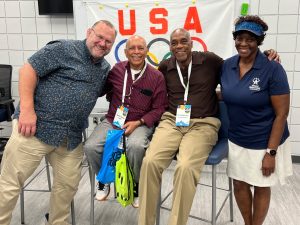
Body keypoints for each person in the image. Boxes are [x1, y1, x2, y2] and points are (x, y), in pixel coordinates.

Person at [138, 27, 280, 225]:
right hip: (172, 121)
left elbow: (240, 65)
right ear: (170, 46)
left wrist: (265, 56)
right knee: (150, 162)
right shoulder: (165, 66)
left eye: (184, 41)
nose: (179, 46)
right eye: (175, 42)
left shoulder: (209, 61)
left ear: (191, 43)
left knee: (186, 167)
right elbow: (145, 81)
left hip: (203, 123)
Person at [0, 20, 117, 225]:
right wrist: (26, 110)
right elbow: (27, 70)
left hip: (70, 137)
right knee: (9, 184)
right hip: (36, 128)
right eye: (100, 37)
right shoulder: (63, 48)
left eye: (108, 41)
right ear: (89, 32)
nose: (103, 43)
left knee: (68, 184)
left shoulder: (104, 68)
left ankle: (56, 222)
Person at [220, 15, 293, 225]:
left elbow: (282, 114)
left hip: (264, 140)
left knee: (261, 185)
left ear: (259, 41)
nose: (243, 43)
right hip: (237, 139)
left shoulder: (273, 68)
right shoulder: (227, 65)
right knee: (240, 185)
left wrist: (271, 153)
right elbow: (227, 93)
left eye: (250, 39)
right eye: (239, 38)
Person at [84, 35, 168, 208]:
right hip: (114, 119)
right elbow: (104, 90)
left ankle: (136, 185)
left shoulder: (157, 76)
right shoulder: (117, 69)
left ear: (147, 51)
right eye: (132, 48)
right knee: (90, 146)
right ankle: (105, 178)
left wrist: (139, 122)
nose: (136, 52)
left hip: (141, 123)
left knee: (135, 146)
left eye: (140, 48)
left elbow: (159, 108)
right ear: (125, 52)